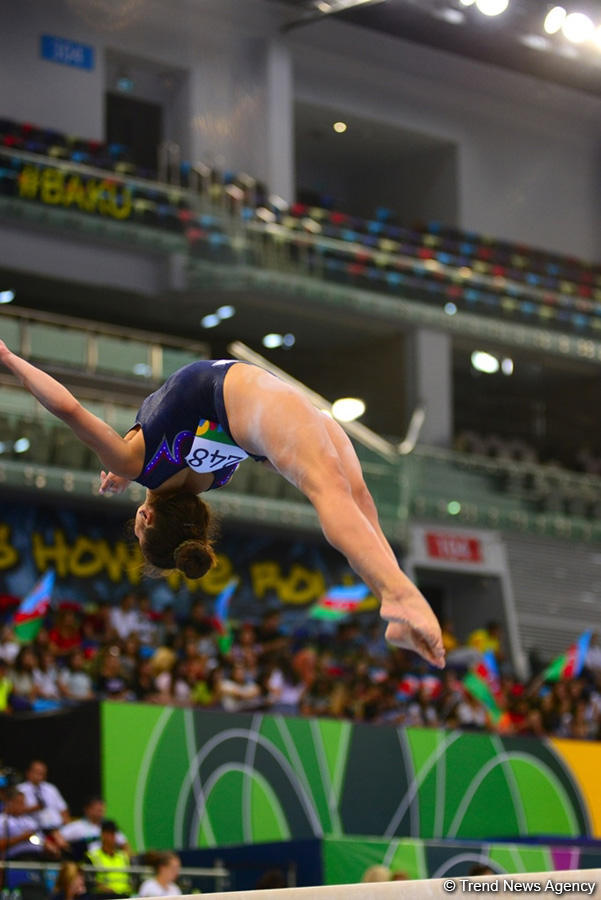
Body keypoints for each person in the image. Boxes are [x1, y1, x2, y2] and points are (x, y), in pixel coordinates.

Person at [0, 347, 444, 668]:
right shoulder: (134, 462)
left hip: (269, 422)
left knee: (354, 496)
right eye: (138, 530)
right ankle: (399, 598)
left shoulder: (197, 479)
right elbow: (69, 408)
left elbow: (188, 447)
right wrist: (8, 357)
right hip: (264, 404)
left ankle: (397, 599)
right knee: (333, 492)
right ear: (147, 517)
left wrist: (126, 465)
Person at [18, 759, 70, 831]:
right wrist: (33, 808)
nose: (40, 776)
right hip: (34, 830)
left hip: (57, 828)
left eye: (42, 773)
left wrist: (67, 826)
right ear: (28, 773)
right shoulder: (20, 790)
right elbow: (16, 811)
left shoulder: (51, 788)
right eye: (37, 772)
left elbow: (63, 808)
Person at [86, 820, 131, 896]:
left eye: (114, 833)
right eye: (111, 833)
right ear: (103, 835)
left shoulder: (123, 856)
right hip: (104, 896)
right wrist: (106, 890)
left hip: (125, 895)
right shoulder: (92, 856)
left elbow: (132, 879)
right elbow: (90, 881)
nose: (114, 837)